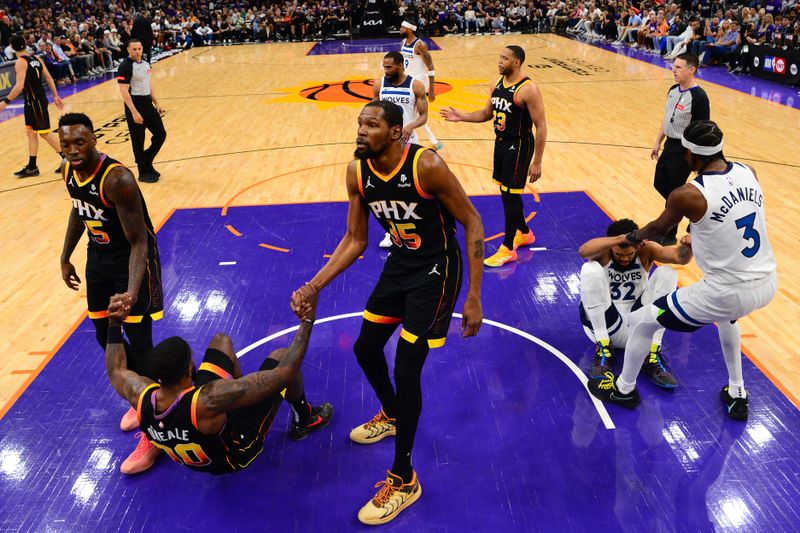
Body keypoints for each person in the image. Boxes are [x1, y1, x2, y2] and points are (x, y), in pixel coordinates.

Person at [291, 100, 484, 525]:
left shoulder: (426, 166)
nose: (361, 131)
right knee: (365, 347)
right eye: (360, 123)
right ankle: (393, 413)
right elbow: (355, 240)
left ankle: (404, 479)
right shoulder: (357, 172)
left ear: (396, 132)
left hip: (438, 269)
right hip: (401, 263)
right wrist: (313, 285)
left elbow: (472, 221)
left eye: (372, 125)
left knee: (408, 367)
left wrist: (474, 295)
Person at [589, 120, 777, 421]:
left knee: (640, 322)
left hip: (725, 291)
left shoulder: (687, 194)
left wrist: (633, 238)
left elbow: (657, 228)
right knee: (728, 320)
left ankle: (624, 389)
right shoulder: (748, 171)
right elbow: (731, 217)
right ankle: (737, 391)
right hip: (767, 282)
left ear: (691, 154)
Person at [103, 292, 333, 474]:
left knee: (221, 341)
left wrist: (114, 324)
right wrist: (307, 321)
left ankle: (243, 395)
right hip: (234, 455)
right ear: (190, 369)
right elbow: (285, 372)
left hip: (198, 434)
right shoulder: (211, 398)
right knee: (282, 356)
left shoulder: (141, 394)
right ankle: (305, 419)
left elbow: (116, 370)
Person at [58, 112, 165, 474]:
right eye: (66, 143)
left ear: (94, 140)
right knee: (107, 338)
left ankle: (154, 431)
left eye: (80, 142)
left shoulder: (117, 179)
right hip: (98, 259)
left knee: (142, 343)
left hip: (132, 262)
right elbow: (79, 210)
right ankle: (139, 397)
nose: (72, 150)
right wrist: (65, 256)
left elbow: (137, 241)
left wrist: (132, 291)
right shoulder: (69, 171)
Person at [441, 45, 547, 268]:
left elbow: (541, 125)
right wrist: (461, 116)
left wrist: (536, 162)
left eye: (504, 58)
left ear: (516, 63)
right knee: (506, 194)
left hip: (518, 146)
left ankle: (508, 248)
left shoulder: (528, 89)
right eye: (499, 57)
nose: (499, 61)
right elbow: (486, 114)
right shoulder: (497, 85)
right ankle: (525, 233)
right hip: (500, 144)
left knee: (510, 197)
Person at [578, 218, 694, 387]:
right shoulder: (602, 253)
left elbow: (679, 257)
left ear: (639, 245)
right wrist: (622, 239)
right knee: (589, 269)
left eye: (629, 254)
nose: (625, 259)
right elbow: (583, 251)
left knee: (667, 273)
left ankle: (652, 352)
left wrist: (689, 246)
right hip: (607, 326)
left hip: (638, 325)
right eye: (619, 254)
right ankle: (603, 348)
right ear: (611, 246)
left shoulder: (647, 250)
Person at [650, 53, 709, 245]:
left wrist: (696, 157)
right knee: (659, 182)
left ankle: (667, 234)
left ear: (692, 70)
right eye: (673, 66)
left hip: (685, 149)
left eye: (679, 67)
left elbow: (702, 129)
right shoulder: (673, 90)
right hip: (670, 145)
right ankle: (690, 209)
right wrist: (658, 140)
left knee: (675, 192)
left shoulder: (699, 97)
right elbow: (667, 118)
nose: (673, 70)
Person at [372, 51, 428, 250]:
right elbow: (373, 111)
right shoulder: (379, 85)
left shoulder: (416, 86)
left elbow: (424, 116)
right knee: (389, 190)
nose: (385, 70)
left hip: (408, 142)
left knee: (414, 188)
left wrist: (411, 125)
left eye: (389, 67)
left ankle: (421, 226)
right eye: (384, 67)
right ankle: (393, 232)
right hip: (386, 145)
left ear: (400, 66)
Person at [0, 35, 64, 177]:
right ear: (24, 44)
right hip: (33, 101)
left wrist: (5, 102)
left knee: (44, 133)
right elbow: (48, 77)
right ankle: (32, 166)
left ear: (11, 47)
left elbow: (19, 85)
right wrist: (55, 95)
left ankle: (68, 160)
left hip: (35, 102)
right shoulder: (36, 58)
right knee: (30, 133)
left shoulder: (21, 62)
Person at [117, 38, 167, 183]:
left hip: (147, 104)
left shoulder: (145, 63)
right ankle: (143, 171)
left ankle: (145, 160)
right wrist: (134, 112)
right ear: (128, 50)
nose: (137, 51)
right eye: (134, 49)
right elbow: (123, 90)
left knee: (160, 134)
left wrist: (156, 102)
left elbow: (148, 83)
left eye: (139, 49)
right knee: (138, 140)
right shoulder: (125, 66)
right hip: (135, 104)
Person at [399, 20, 442, 150]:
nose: (400, 29)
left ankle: (417, 142)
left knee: (414, 113)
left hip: (419, 81)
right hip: (408, 80)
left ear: (410, 30)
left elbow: (431, 66)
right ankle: (433, 141)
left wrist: (432, 89)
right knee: (413, 114)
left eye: (403, 27)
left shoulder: (420, 45)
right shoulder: (403, 43)